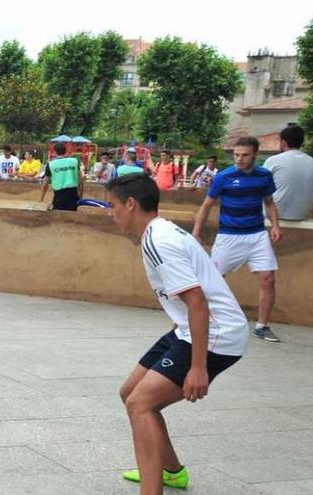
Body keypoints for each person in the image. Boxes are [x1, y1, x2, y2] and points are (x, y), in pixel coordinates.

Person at [107, 174, 247, 495]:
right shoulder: (156, 233)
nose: (109, 212)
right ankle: (171, 471)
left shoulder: (160, 241)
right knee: (129, 391)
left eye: (112, 206)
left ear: (131, 204)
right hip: (189, 329)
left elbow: (197, 301)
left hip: (217, 335)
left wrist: (198, 368)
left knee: (141, 403)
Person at [193, 136, 283, 343]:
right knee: (213, 280)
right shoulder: (223, 177)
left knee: (268, 279)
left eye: (245, 155)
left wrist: (276, 225)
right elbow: (207, 205)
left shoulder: (265, 176)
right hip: (228, 236)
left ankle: (262, 326)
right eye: (236, 155)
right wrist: (197, 232)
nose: (239, 159)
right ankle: (203, 320)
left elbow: (269, 203)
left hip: (257, 234)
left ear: (254, 155)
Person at [263, 125, 313, 221]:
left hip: (274, 217)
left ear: (283, 142)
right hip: (302, 216)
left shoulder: (273, 160)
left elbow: (261, 185)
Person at [40, 142, 83, 211]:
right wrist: (81, 197)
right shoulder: (74, 161)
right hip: (73, 194)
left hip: (59, 195)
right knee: (72, 217)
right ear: (65, 151)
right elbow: (80, 181)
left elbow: (45, 184)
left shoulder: (51, 164)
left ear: (54, 152)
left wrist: (41, 198)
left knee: (58, 216)